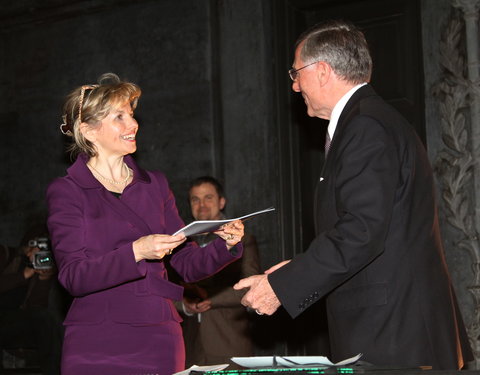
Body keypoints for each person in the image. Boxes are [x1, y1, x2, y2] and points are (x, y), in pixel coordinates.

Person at [234, 20, 473, 370]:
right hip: (394, 328)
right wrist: (295, 269)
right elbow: (373, 228)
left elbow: (360, 232)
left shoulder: (365, 128)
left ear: (323, 71)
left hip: (394, 334)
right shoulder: (369, 121)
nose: (295, 84)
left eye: (296, 73)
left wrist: (283, 286)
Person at [46, 73, 245, 375]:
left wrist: (226, 245)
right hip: (95, 341)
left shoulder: (155, 185)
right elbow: (74, 276)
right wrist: (136, 251)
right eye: (119, 117)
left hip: (158, 336)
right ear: (89, 131)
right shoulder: (67, 191)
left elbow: (186, 263)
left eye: (132, 115)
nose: (133, 124)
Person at [176, 176, 260, 369]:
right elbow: (165, 287)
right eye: (195, 199)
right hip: (189, 349)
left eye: (208, 197)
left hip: (229, 344)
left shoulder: (242, 239)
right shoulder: (179, 241)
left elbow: (250, 285)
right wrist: (185, 304)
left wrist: (211, 299)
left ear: (222, 202)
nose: (202, 205)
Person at [0, 227, 62, 374]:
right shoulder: (4, 254)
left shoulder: (40, 266)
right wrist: (24, 274)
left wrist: (43, 279)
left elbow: (36, 309)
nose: (41, 250)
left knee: (45, 319)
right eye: (38, 245)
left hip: (11, 323)